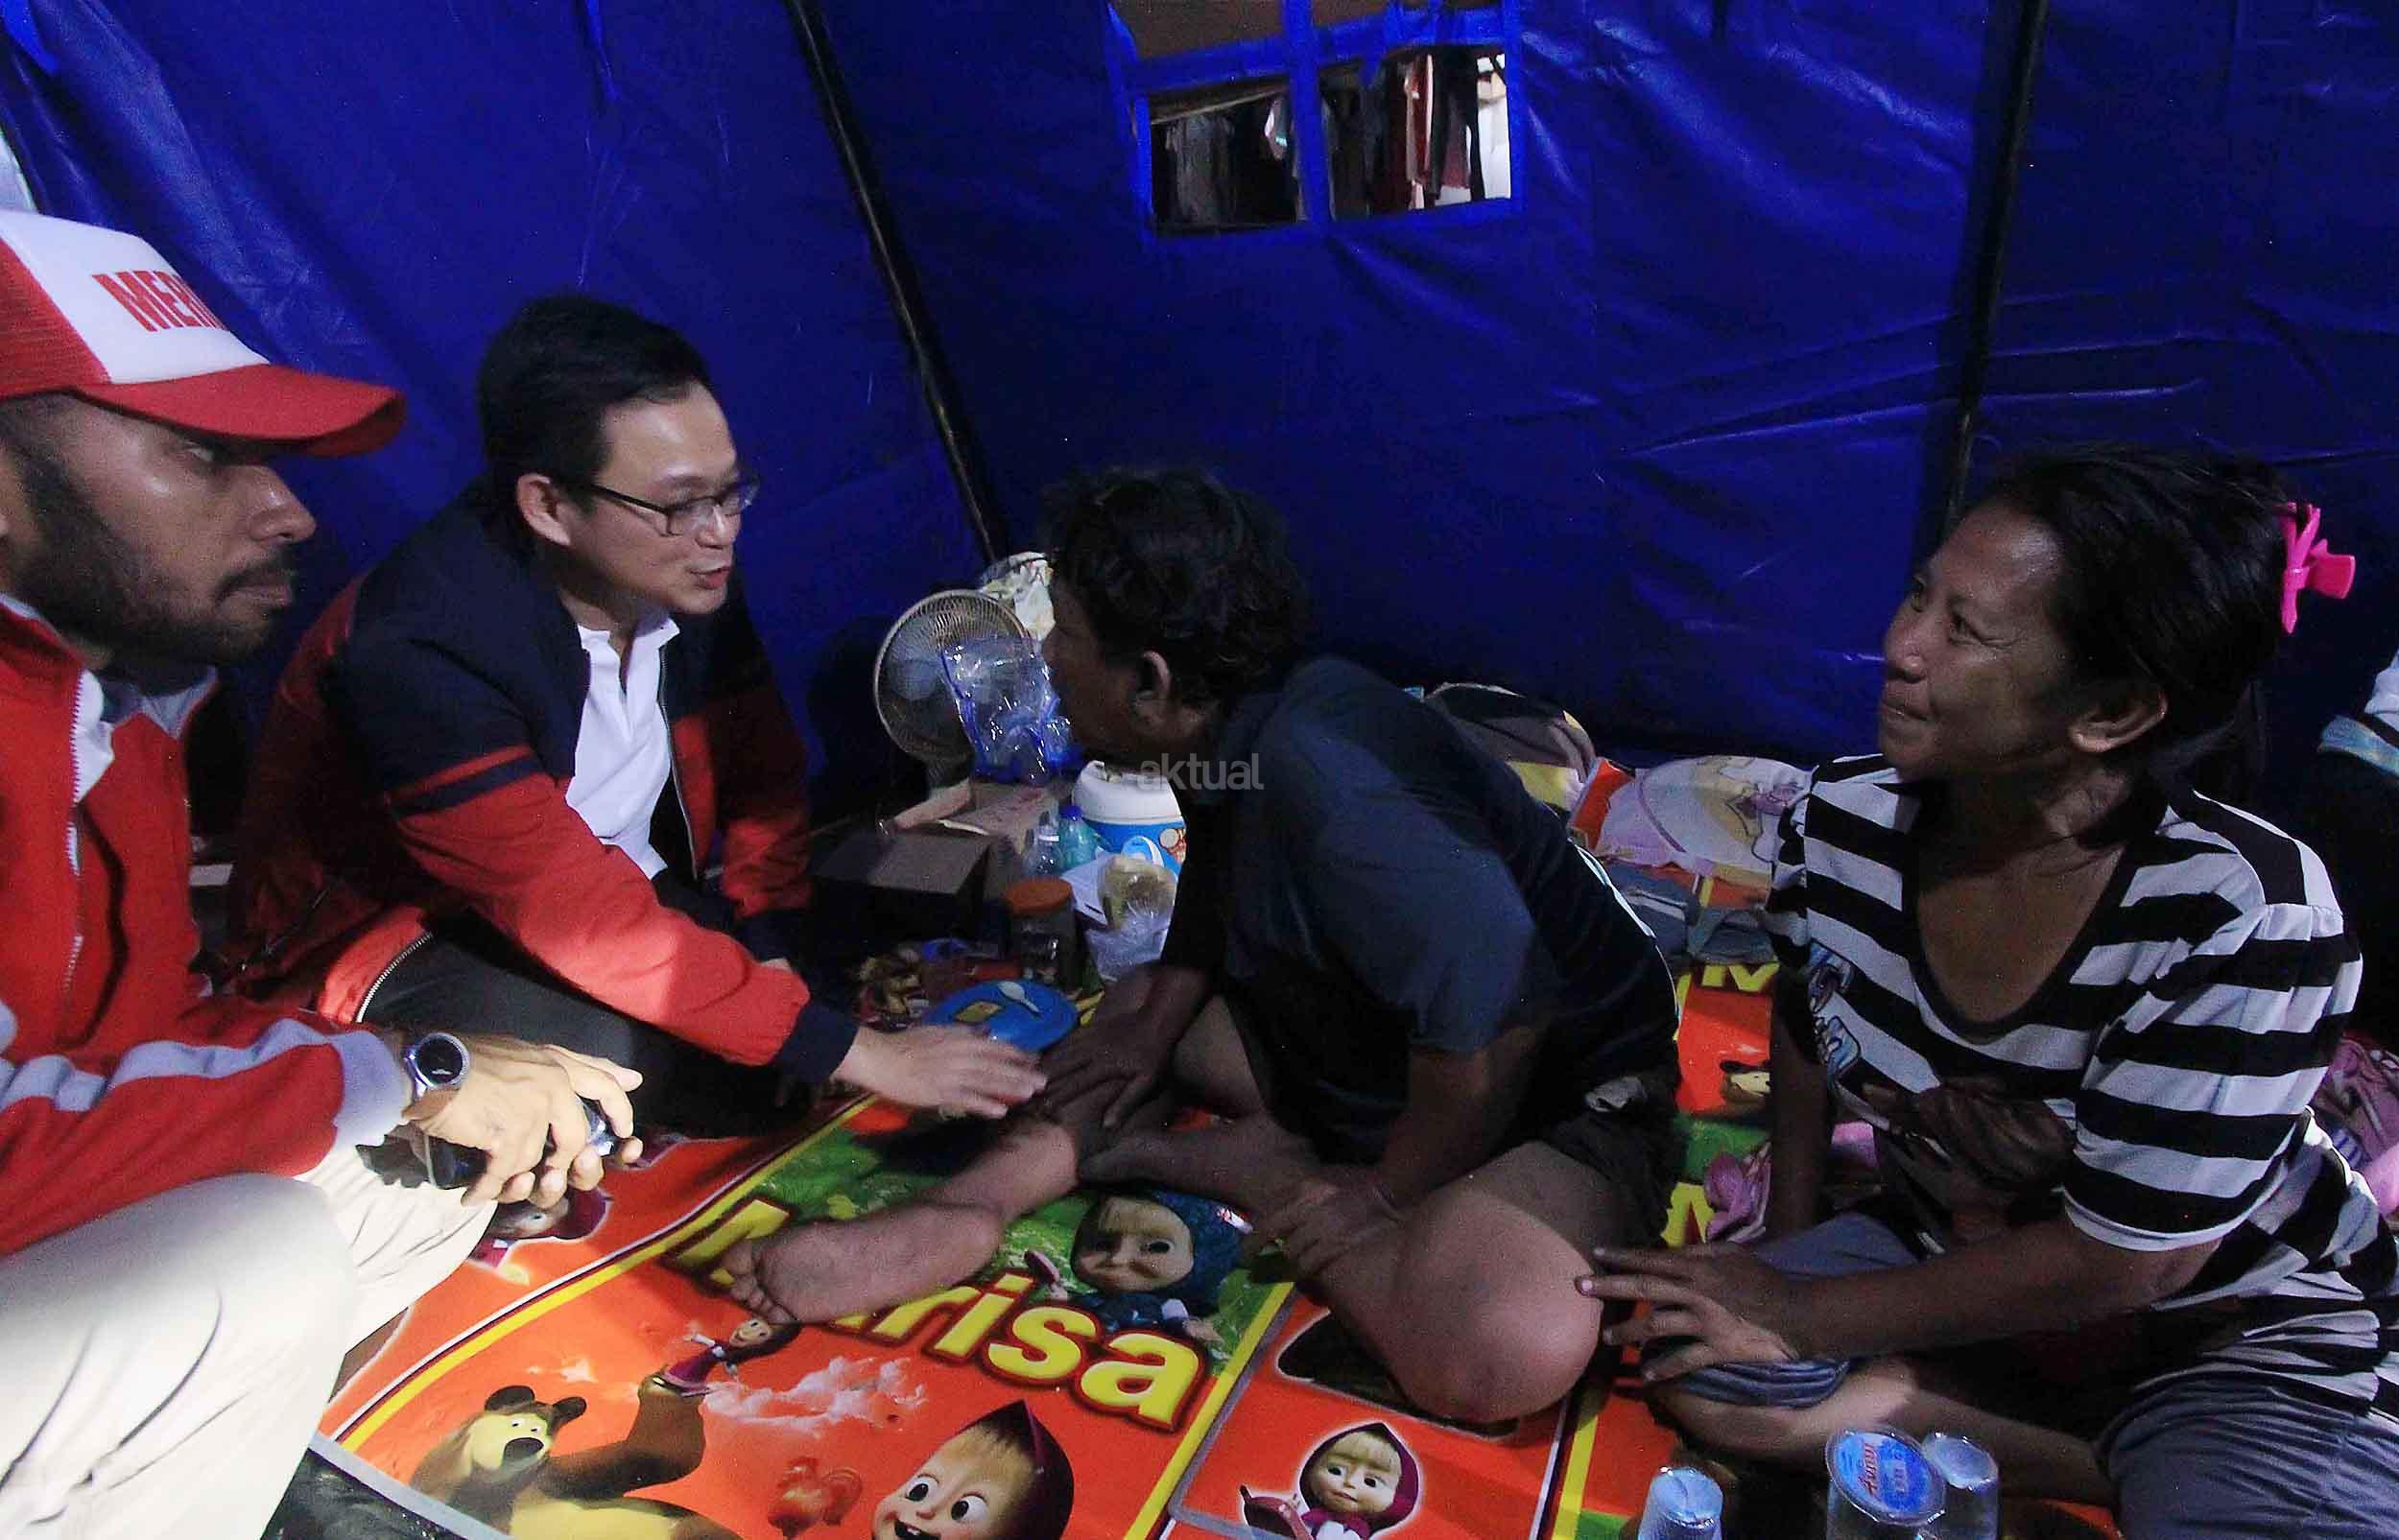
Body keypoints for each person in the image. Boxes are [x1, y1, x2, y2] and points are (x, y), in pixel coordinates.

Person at [722, 466, 1681, 1424]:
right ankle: (968, 1205)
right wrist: (1151, 1028)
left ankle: (1266, 1170)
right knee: (1137, 1011)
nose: (1046, 655)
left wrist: (1386, 1194)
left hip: (1550, 1092)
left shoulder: (1337, 782)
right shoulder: (1223, 727)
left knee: (1504, 1346)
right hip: (1374, 1045)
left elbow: (1502, 1021)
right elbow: (1217, 874)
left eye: (1065, 632)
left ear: (1148, 681)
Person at [1580, 447, 2398, 1536]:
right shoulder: (1843, 822)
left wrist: (1801, 1312)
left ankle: (2160, 1450)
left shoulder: (2247, 917)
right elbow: (1805, 1018)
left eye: (1963, 630)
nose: (1899, 647)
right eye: (1920, 595)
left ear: (2111, 711)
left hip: (2222, 1333)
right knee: (1696, 1356)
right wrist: (1780, 1250)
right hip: (1966, 1258)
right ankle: (2098, 1452)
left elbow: (2136, 1260)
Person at [0, 209, 640, 1535]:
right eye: (202, 453)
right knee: (259, 1257)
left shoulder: (114, 705)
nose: (289, 509)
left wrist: (429, 1082)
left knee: (434, 1173)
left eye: (726, 494)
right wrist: (405, 1068)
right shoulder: (431, 629)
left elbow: (136, 1035)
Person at [226, 295, 1042, 1127]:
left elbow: (761, 775)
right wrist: (853, 1051)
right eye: (681, 504)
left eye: (731, 492)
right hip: (401, 936)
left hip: (611, 884)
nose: (719, 532)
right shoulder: (420, 649)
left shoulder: (683, 571)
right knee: (649, 1071)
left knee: (794, 1003)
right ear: (548, 506)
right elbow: (562, 906)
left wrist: (774, 942)